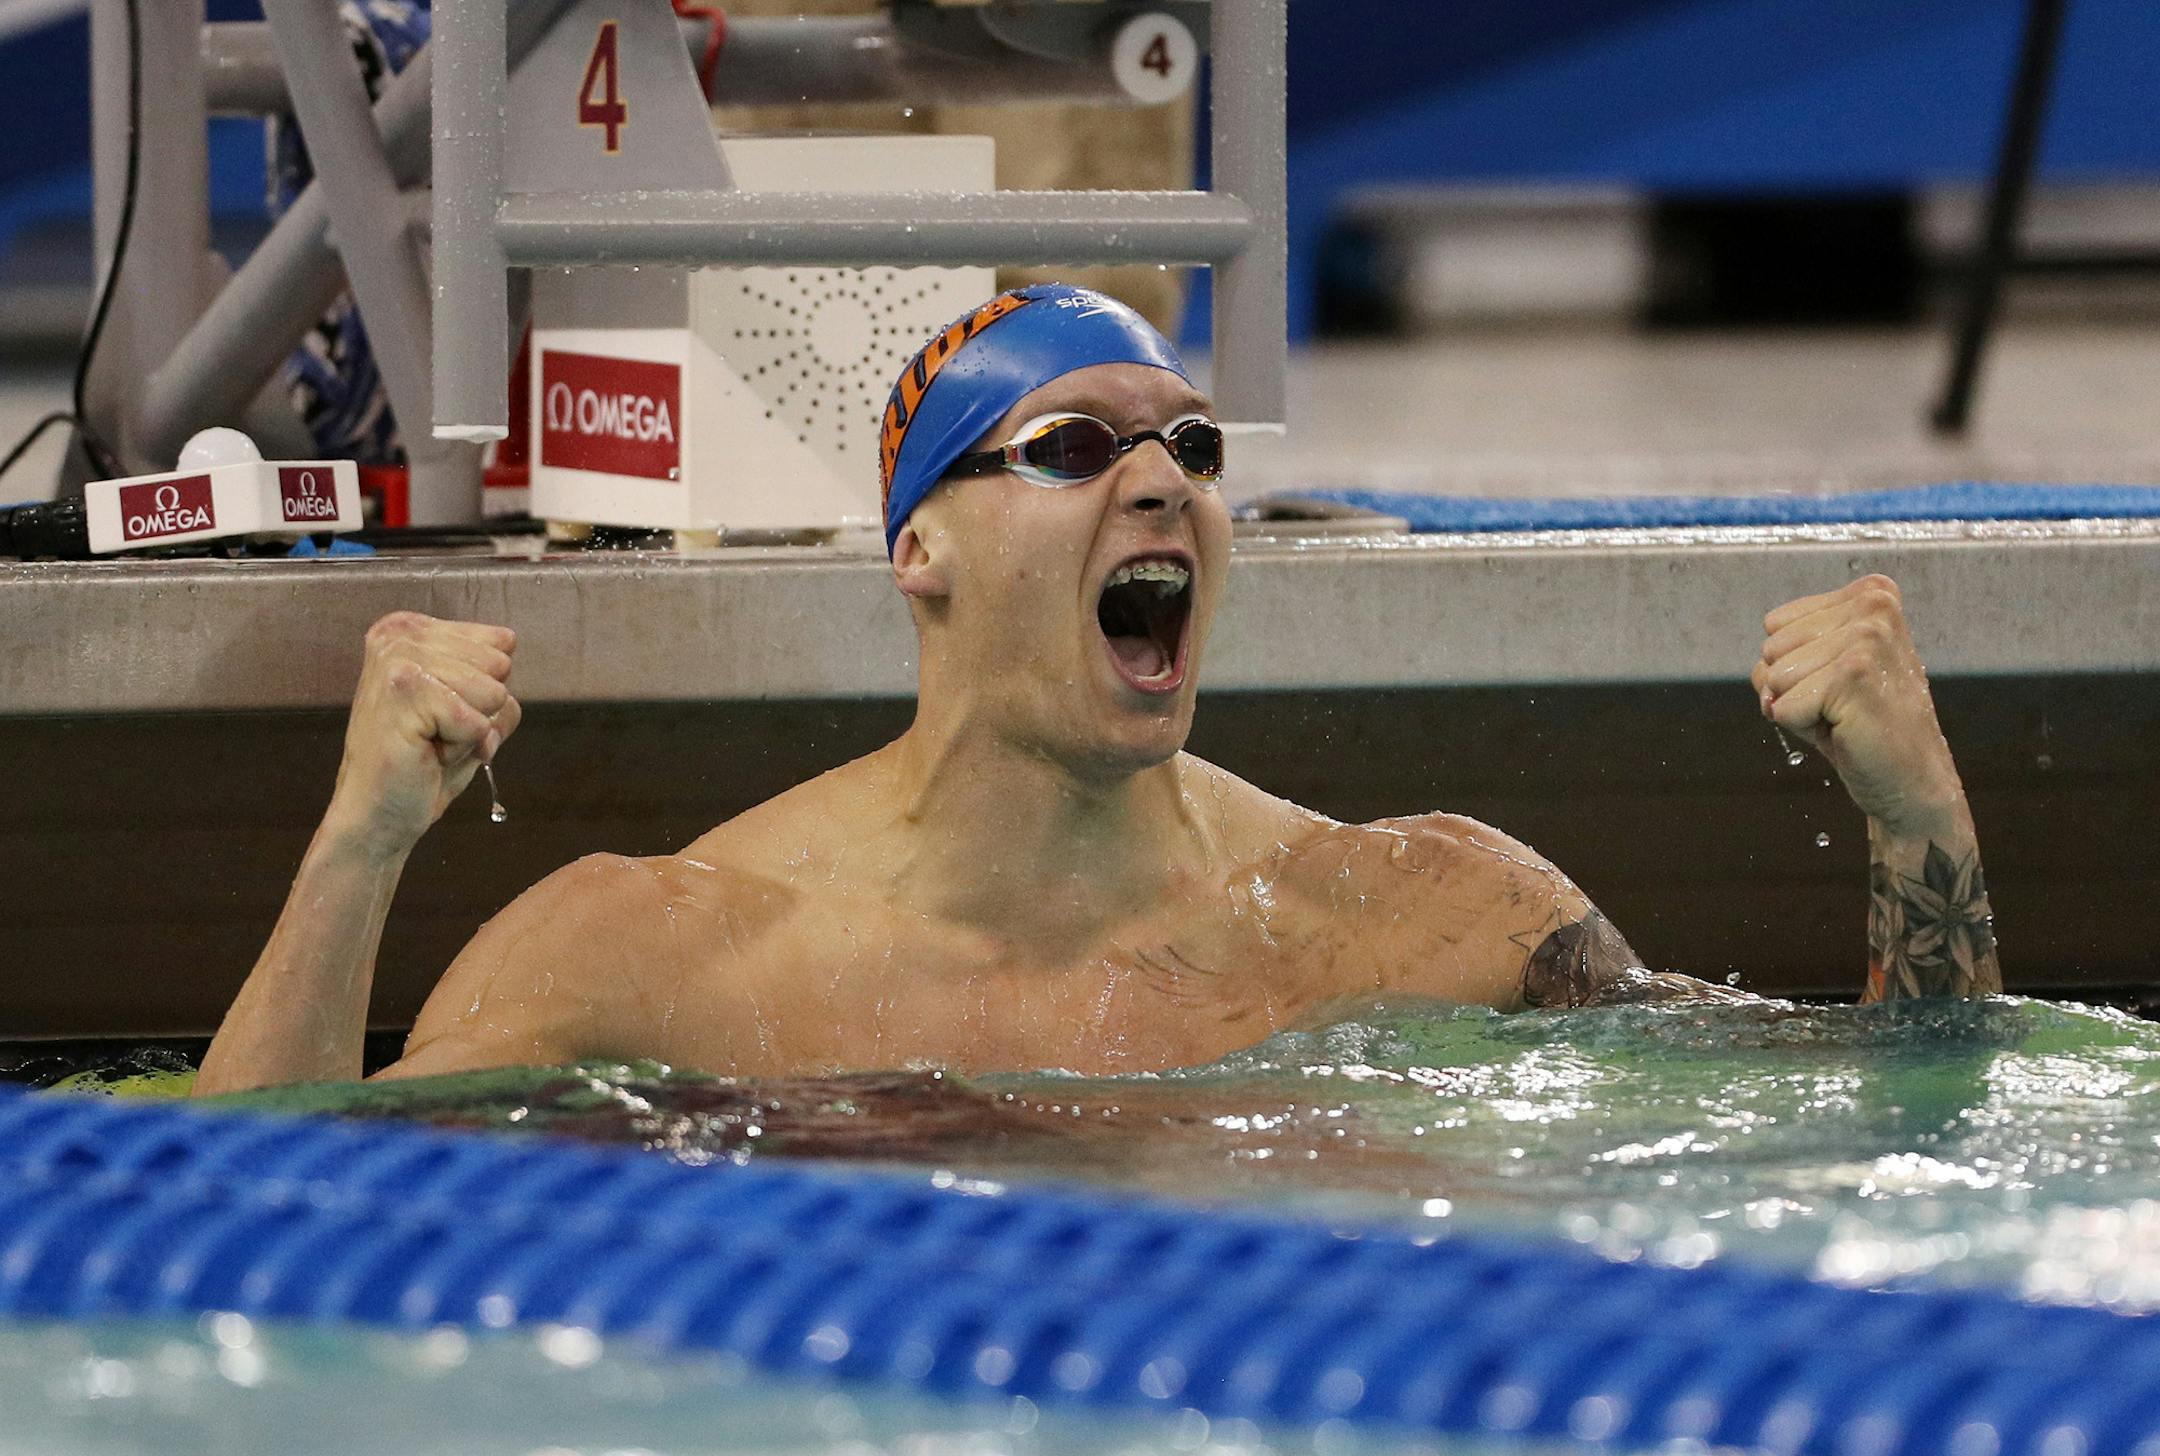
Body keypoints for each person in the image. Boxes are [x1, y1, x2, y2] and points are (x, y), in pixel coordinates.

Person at [195, 285, 2000, 1098]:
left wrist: (1925, 826)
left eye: (1193, 448)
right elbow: (243, 1233)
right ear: (921, 554)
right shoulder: (648, 951)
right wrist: (359, 849)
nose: (1164, 484)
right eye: (1071, 447)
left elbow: (1905, 1123)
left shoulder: (1423, 910)